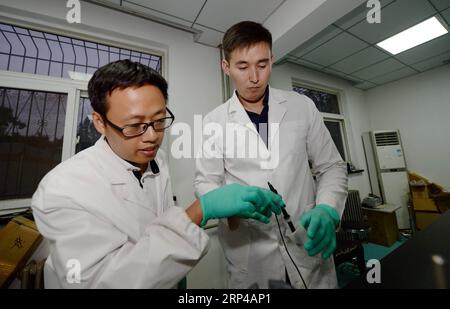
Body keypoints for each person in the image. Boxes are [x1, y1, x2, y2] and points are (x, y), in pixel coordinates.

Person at [31, 59, 284, 288]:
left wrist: (173, 276)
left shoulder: (157, 160)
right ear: (99, 122)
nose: (152, 137)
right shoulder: (62, 188)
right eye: (134, 125)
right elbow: (106, 282)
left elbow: (156, 228)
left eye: (159, 120)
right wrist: (198, 211)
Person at [194, 21, 348, 289]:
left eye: (262, 64)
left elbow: (331, 166)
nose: (254, 77)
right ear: (226, 67)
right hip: (251, 254)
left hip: (305, 245)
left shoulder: (302, 106)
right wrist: (232, 208)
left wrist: (327, 208)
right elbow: (204, 181)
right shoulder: (212, 122)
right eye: (242, 67)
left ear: (272, 61)